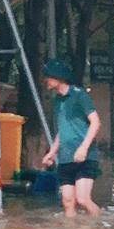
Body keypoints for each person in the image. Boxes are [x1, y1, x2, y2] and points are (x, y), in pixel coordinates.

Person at [40, 58, 102, 216]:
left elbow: (95, 122)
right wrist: (52, 153)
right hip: (65, 158)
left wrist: (83, 148)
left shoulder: (79, 95)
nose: (46, 80)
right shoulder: (57, 101)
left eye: (48, 76)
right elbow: (62, 131)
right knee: (68, 203)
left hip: (85, 157)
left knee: (83, 200)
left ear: (58, 78)